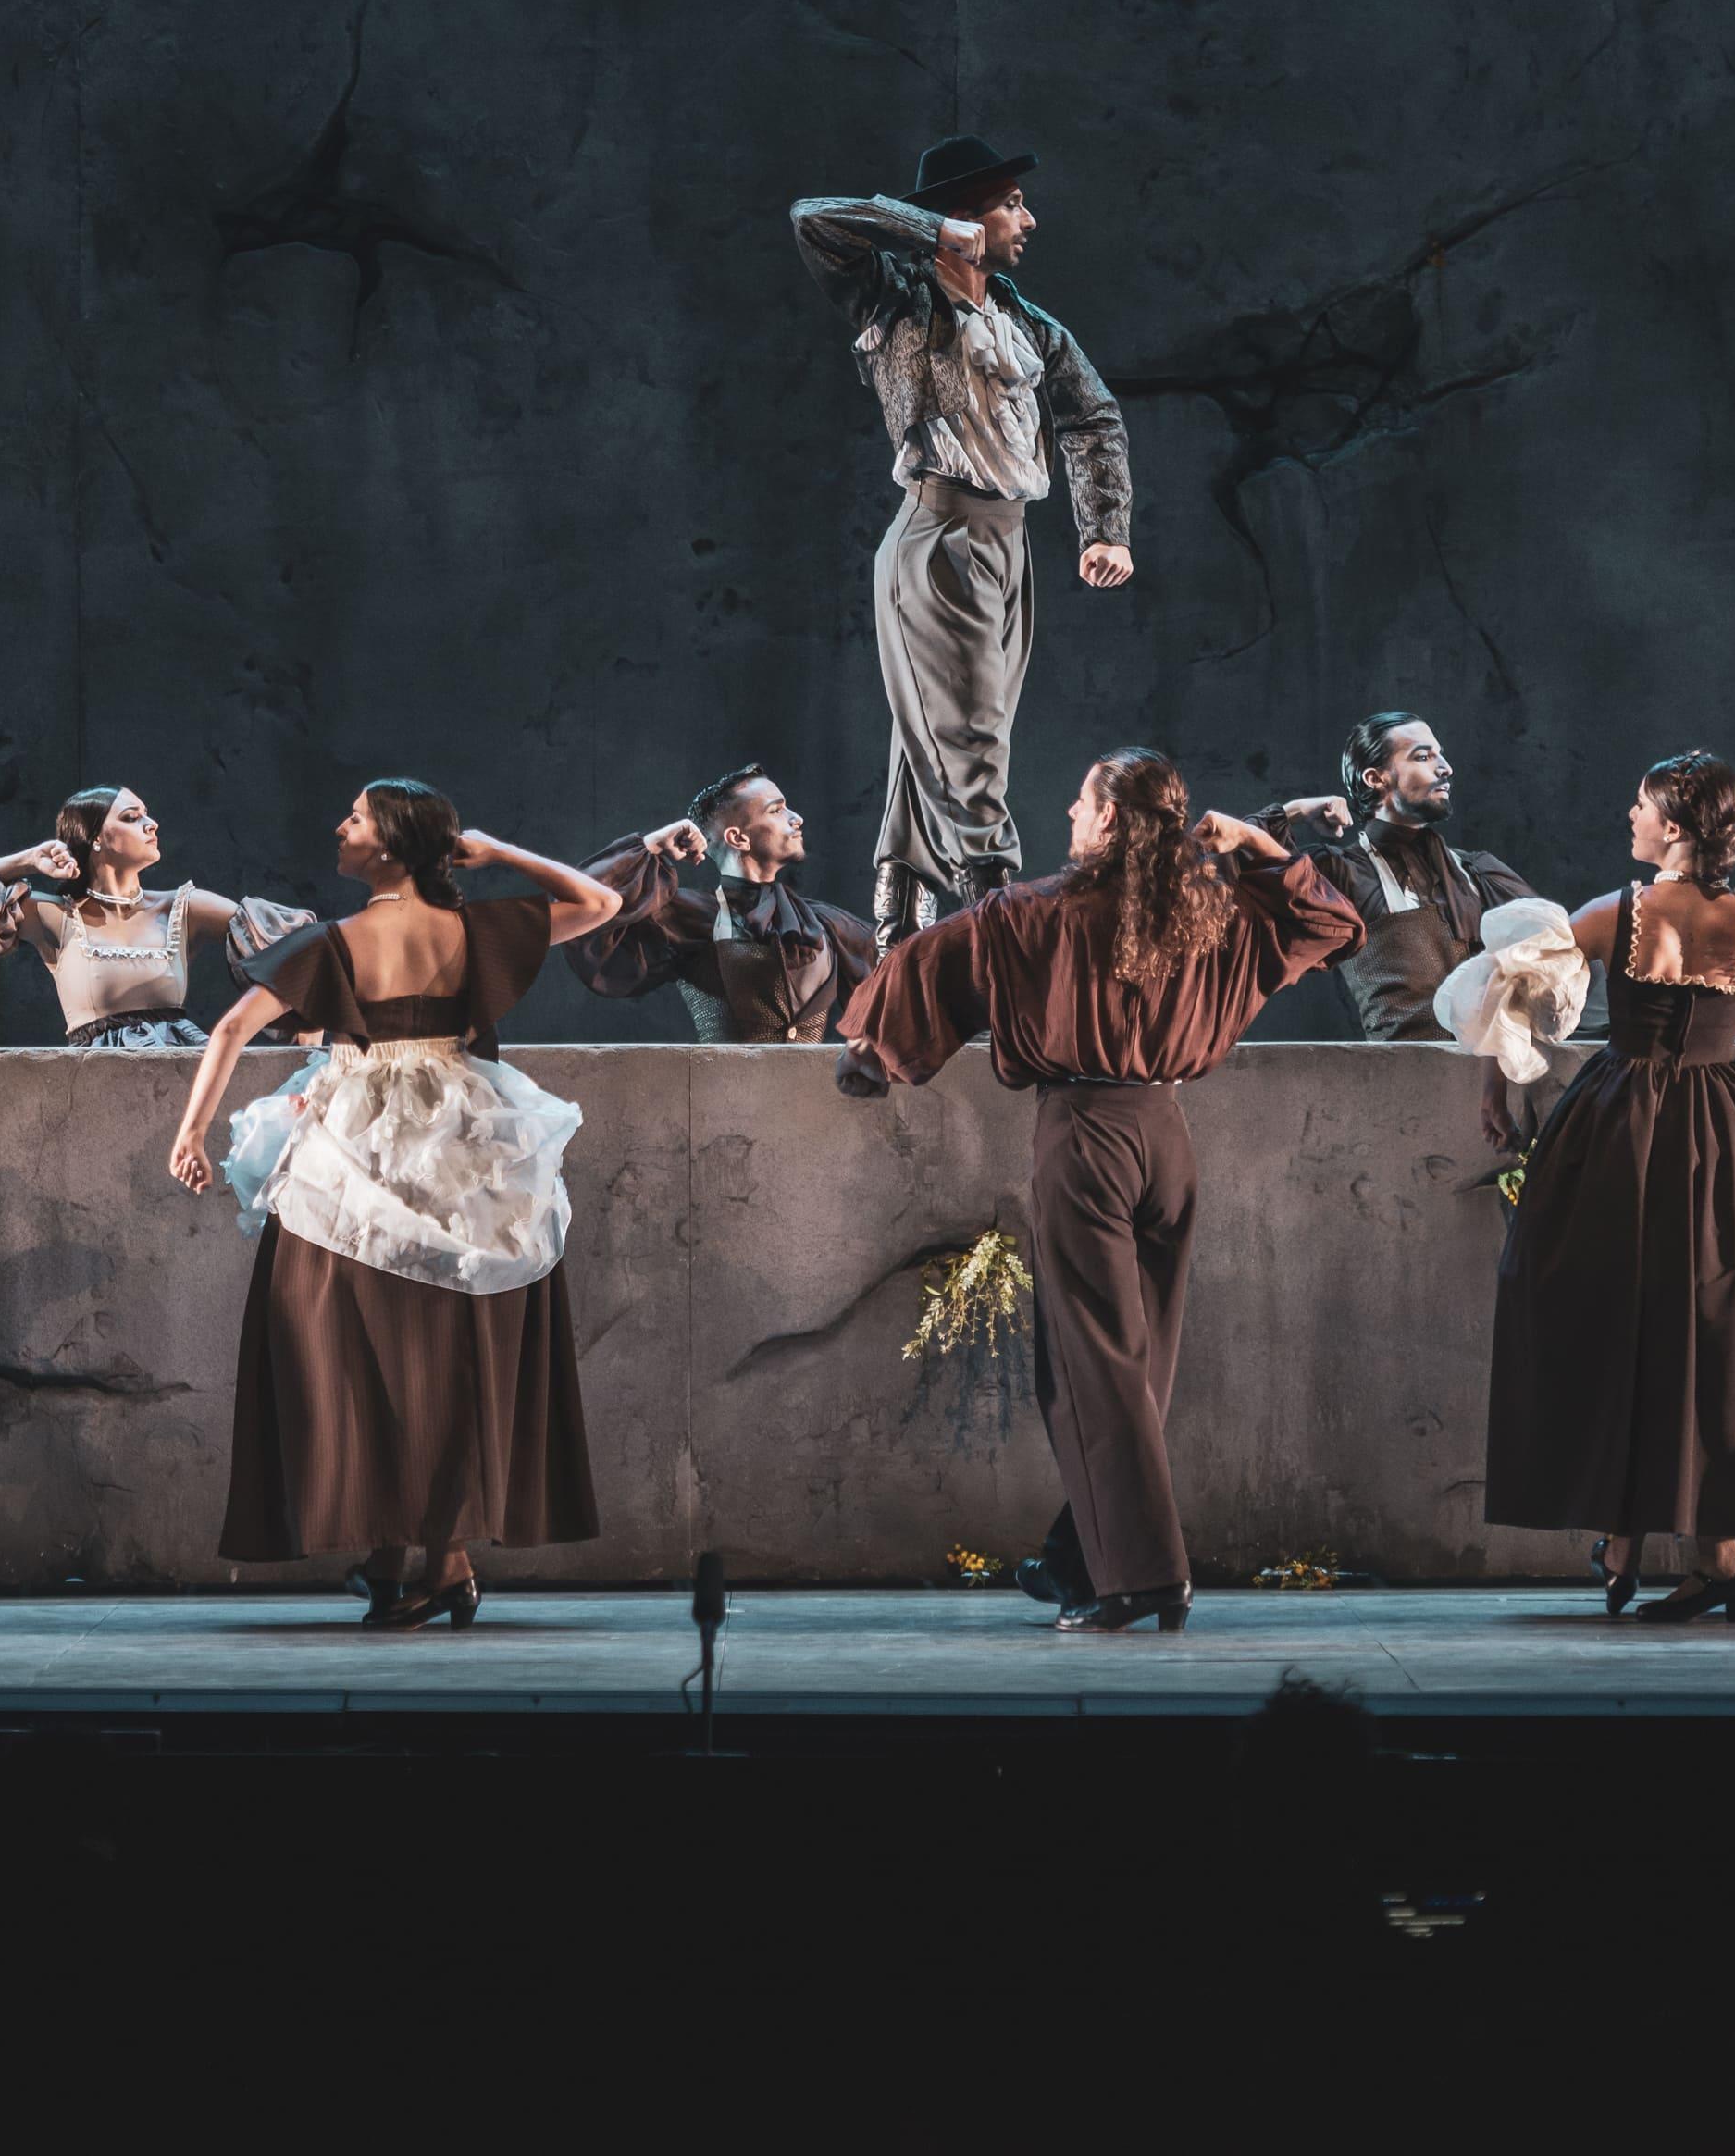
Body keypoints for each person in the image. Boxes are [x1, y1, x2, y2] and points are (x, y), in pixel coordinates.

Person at [836, 747, 1368, 1635]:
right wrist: (1259, 847)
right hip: (1168, 1138)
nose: (1072, 817)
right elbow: (1332, 924)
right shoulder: (1216, 914)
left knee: (1091, 1371)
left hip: (1084, 1135)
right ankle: (1081, 1559)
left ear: (1112, 819)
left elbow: (923, 962)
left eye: (1083, 804)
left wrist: (869, 1056)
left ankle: (1143, 1580)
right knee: (1138, 1370)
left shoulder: (1030, 911)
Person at [1439, 752, 1735, 1622]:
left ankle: (1635, 1543)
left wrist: (1500, 1095)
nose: (1631, 817)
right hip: (1729, 1137)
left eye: (1643, 808)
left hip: (1621, 1128)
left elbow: (1507, 998)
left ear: (1675, 827)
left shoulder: (1614, 912)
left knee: (1622, 1327)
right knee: (1708, 1335)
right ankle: (1698, 1549)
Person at [167, 781, 618, 1628]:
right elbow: (598, 902)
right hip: (463, 1140)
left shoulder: (333, 942)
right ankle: (415, 1553)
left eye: (357, 818)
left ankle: (428, 1558)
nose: (340, 826)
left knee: (357, 1347)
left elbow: (230, 1029)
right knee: (445, 1346)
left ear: (391, 845)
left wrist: (190, 1137)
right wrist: (499, 853)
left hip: (356, 1144)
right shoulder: (467, 930)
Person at [792, 138, 1135, 952]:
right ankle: (999, 916)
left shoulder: (1024, 320)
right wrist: (927, 230)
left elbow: (1093, 416)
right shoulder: (894, 298)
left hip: (1007, 541)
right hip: (938, 533)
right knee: (969, 733)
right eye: (1011, 201)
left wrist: (1105, 528)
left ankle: (898, 917)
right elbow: (814, 220)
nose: (1028, 217)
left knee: (942, 733)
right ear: (967, 213)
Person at [0, 785, 303, 1047]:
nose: (151, 823)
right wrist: (29, 859)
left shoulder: (183, 908)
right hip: (96, 1092)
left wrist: (307, 1049)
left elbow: (294, 949)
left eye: (147, 815)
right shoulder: (55, 917)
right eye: (132, 817)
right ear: (94, 838)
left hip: (180, 1079)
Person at [1259, 712, 1543, 1047]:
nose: (1446, 768)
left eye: (1440, 753)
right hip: (1400, 1085)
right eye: (1423, 756)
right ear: (1376, 778)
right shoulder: (1341, 875)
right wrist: (1295, 811)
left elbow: (1566, 962)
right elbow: (1229, 862)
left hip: (1495, 1084)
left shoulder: (1478, 873)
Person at [562, 764, 878, 1042]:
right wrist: (652, 844)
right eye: (776, 810)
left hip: (812, 1105)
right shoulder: (688, 916)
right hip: (717, 1102)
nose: (797, 819)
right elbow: (583, 905)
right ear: (738, 838)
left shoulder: (824, 925)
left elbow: (900, 977)